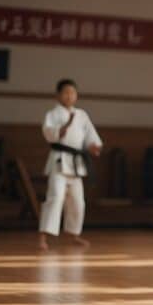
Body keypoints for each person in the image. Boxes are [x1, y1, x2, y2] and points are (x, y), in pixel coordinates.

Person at [38, 79, 102, 251]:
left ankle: (74, 234)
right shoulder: (53, 114)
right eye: (66, 92)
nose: (69, 96)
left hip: (76, 164)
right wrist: (64, 127)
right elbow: (50, 134)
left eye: (72, 92)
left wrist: (93, 146)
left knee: (78, 202)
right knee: (55, 197)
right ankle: (43, 236)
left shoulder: (82, 115)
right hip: (59, 161)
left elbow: (90, 137)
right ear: (58, 95)